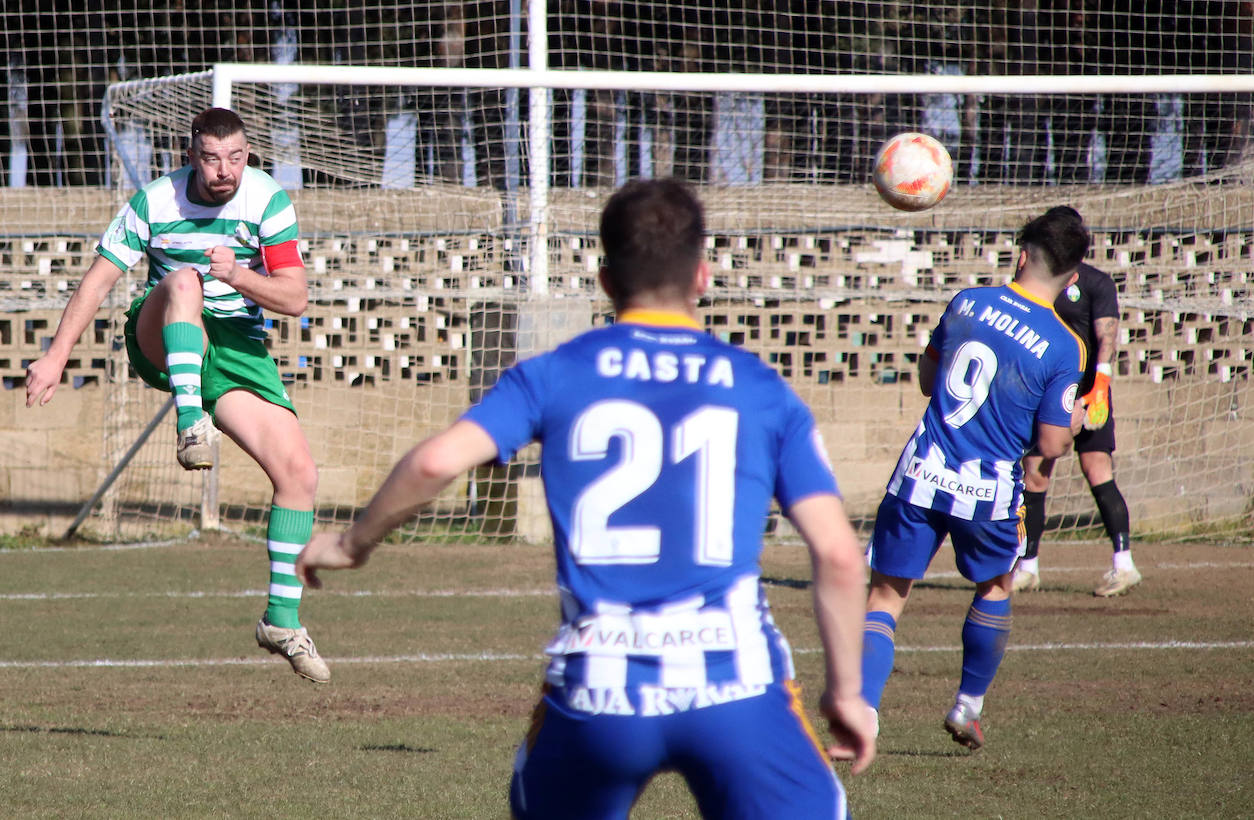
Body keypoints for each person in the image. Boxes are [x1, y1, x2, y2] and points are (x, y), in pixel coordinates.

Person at [297, 178, 875, 819]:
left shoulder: (554, 373)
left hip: (600, 686)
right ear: (704, 276)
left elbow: (435, 461)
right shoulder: (761, 389)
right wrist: (847, 692)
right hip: (734, 684)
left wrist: (352, 544)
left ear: (604, 280)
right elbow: (841, 558)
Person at [25, 107, 329, 683]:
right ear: (192, 154)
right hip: (163, 328)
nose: (225, 171)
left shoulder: (267, 201)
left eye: (236, 158)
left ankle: (281, 620)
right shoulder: (153, 202)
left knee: (299, 475)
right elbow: (98, 280)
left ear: (247, 156)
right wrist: (56, 354)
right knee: (186, 278)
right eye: (212, 159)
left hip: (234, 341)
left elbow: (293, 299)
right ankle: (191, 420)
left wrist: (239, 274)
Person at [860, 205, 1091, 751]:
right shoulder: (1065, 346)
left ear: (1021, 254)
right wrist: (1074, 421)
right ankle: (967, 707)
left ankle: (864, 711)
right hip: (987, 491)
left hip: (921, 472)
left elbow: (926, 378)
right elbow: (1053, 444)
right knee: (994, 585)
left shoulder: (968, 302)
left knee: (887, 597)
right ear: (1073, 278)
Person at [1013, 247, 1141, 597]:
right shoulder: (1039, 280)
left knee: (1097, 468)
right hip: (1050, 390)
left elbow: (1106, 335)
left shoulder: (1097, 282)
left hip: (1089, 391)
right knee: (1035, 472)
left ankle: (1124, 565)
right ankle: (1027, 567)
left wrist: (1101, 384)